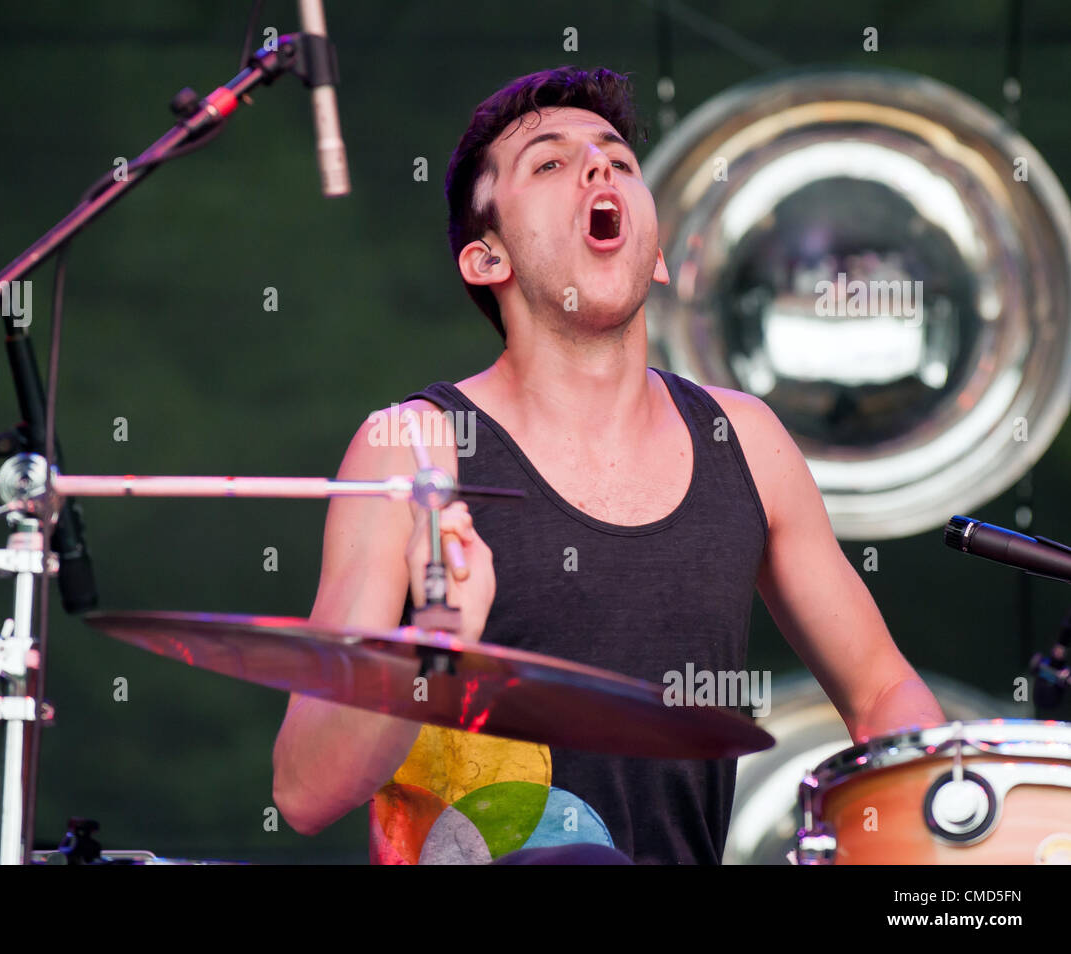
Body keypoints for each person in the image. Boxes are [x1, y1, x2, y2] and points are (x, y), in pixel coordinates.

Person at [271, 66, 944, 864]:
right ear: (487, 259)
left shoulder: (746, 439)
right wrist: (435, 648)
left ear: (654, 254)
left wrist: (948, 825)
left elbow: (882, 691)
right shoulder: (414, 448)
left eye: (618, 160)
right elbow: (305, 790)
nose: (598, 167)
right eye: (550, 163)